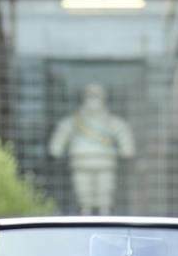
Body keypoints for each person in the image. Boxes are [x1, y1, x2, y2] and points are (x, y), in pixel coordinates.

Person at [48, 85, 136, 214]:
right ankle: (85, 213)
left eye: (96, 96)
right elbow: (63, 131)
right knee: (83, 192)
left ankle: (105, 213)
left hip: (105, 162)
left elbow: (122, 131)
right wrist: (56, 148)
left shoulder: (110, 120)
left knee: (105, 191)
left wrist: (127, 149)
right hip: (81, 162)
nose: (93, 100)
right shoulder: (76, 120)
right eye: (90, 96)